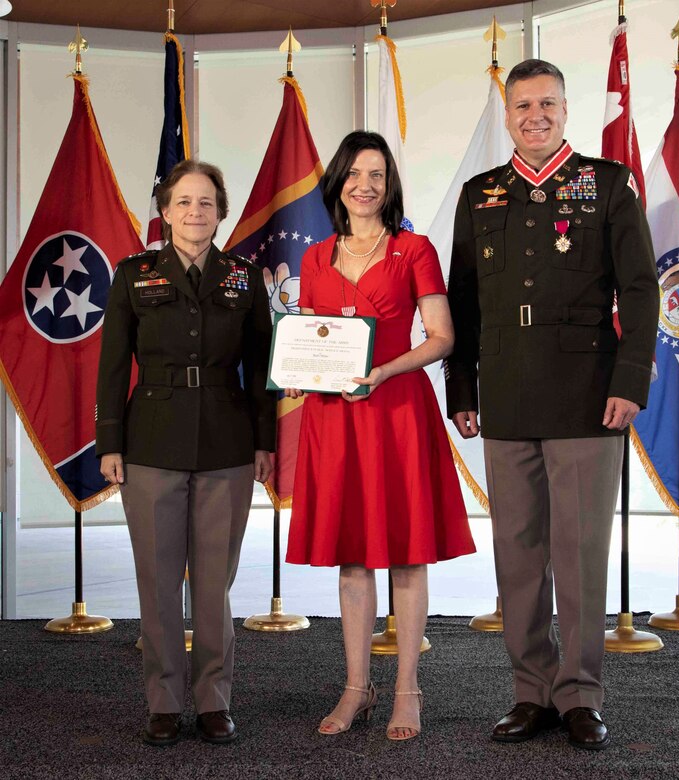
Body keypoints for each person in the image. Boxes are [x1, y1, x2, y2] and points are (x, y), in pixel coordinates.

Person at [445, 59, 659, 751]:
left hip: (587, 397)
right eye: (522, 106)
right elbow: (464, 302)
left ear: (566, 110)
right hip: (505, 395)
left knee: (579, 553)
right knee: (518, 554)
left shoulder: (608, 184)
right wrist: (462, 388)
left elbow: (641, 289)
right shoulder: (481, 194)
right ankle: (530, 692)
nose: (534, 116)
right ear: (507, 115)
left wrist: (630, 380)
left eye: (547, 104)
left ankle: (580, 695)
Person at [285, 131, 476, 741]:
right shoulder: (315, 257)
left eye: (377, 174)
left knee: (407, 554)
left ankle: (407, 690)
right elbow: (310, 337)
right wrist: (301, 374)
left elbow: (442, 337)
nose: (365, 185)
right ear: (337, 181)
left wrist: (386, 370)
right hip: (335, 418)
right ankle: (355, 686)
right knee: (351, 557)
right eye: (354, 174)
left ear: (390, 184)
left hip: (396, 411)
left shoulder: (413, 248)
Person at [96, 159, 276, 746]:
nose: (195, 212)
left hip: (226, 442)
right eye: (183, 202)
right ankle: (164, 700)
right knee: (157, 578)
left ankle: (214, 700)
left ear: (221, 213)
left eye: (206, 203)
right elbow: (113, 366)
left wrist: (263, 443)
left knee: (213, 586)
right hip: (150, 445)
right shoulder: (134, 275)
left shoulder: (245, 279)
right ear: (165, 210)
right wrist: (110, 443)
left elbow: (262, 372)